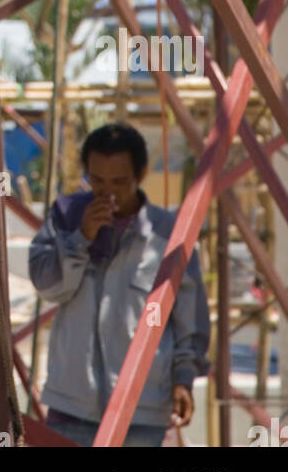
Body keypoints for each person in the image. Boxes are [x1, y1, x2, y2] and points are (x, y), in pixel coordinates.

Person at [28, 122, 210, 448]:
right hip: (72, 407)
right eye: (97, 181)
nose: (107, 192)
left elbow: (189, 320)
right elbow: (47, 287)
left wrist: (183, 379)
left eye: (118, 182)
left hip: (141, 412)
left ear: (140, 174)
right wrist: (80, 238)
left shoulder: (169, 233)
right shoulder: (66, 217)